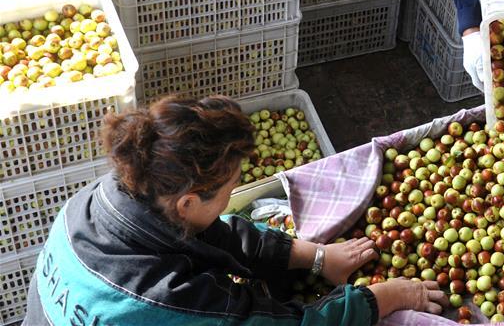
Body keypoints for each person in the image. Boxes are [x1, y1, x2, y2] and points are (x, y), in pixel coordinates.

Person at [24, 95, 447, 326]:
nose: (232, 198)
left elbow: (210, 231)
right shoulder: (170, 302)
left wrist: (315, 256)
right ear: (189, 201)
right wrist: (384, 297)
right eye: (228, 189)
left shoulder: (105, 196)